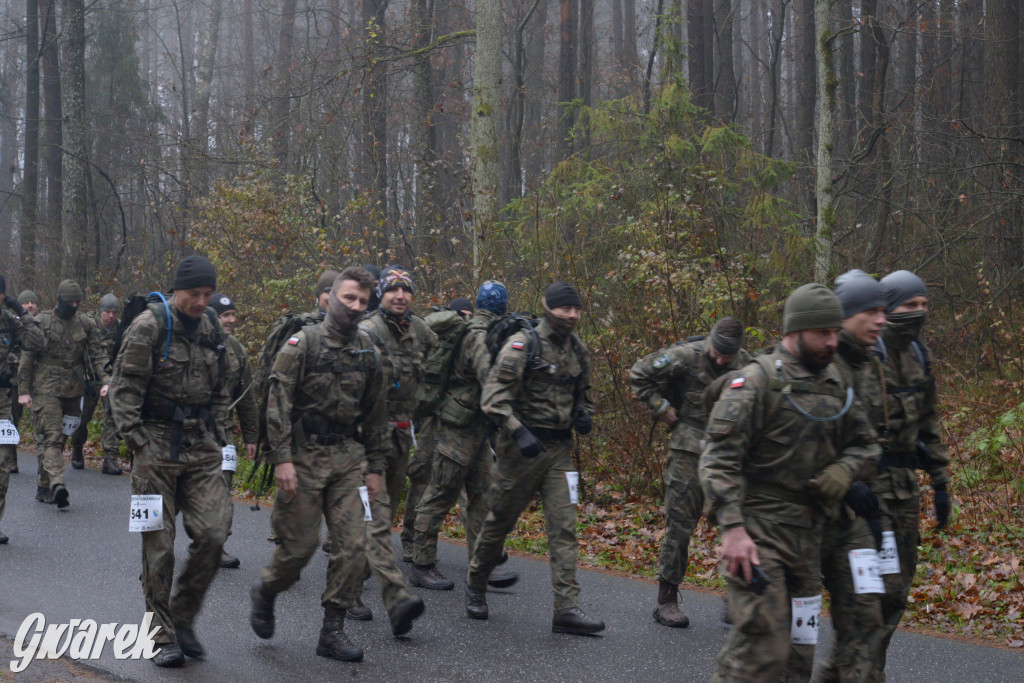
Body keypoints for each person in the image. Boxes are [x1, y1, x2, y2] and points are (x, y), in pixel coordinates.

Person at [699, 283, 880, 682]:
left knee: (798, 654)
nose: (833, 342)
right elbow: (716, 461)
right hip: (762, 535)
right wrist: (731, 528)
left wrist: (845, 471)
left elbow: (867, 446)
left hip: (811, 541)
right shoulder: (753, 383)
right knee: (762, 650)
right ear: (794, 331)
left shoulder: (839, 383)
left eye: (836, 333)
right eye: (823, 334)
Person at [249, 267, 424, 663]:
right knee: (300, 548)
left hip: (348, 458)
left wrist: (375, 466)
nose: (356, 307)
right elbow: (277, 405)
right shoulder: (302, 343)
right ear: (332, 297)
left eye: (363, 301)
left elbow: (376, 414)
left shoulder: (368, 349)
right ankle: (267, 589)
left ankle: (332, 630)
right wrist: (281, 459)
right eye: (349, 298)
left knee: (353, 545)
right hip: (304, 456)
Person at [109, 256, 232, 667]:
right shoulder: (150, 326)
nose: (201, 301)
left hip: (200, 445)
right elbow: (124, 391)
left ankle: (182, 614)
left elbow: (221, 384)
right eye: (194, 294)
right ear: (176, 290)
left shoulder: (212, 326)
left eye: (207, 294)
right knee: (159, 547)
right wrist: (138, 443)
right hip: (155, 445)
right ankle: (160, 634)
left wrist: (218, 430)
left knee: (215, 533)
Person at [466, 281, 603, 635]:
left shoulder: (578, 351)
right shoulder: (522, 345)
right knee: (498, 523)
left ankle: (566, 608)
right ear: (547, 308)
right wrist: (517, 429)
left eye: (576, 310)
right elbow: (493, 398)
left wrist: (584, 414)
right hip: (520, 451)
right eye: (564, 309)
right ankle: (477, 584)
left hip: (559, 453)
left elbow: (584, 395)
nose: (571, 316)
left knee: (565, 528)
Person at [629, 317, 750, 628]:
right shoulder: (686, 356)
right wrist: (660, 407)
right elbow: (639, 372)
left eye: (728, 356)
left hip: (729, 454)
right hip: (688, 450)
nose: (722, 360)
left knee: (740, 524)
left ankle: (737, 598)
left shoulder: (748, 364)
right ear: (710, 342)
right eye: (718, 354)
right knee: (680, 524)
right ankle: (666, 600)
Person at [410, 283, 518, 590]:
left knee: (483, 496)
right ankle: (422, 563)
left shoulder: (486, 331)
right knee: (440, 494)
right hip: (458, 429)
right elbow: (491, 380)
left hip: (478, 429)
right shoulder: (479, 336)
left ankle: (482, 564)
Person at [811, 270, 889, 682]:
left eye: (883, 311)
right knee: (783, 642)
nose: (881, 320)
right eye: (870, 312)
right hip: (801, 520)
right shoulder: (814, 363)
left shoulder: (872, 363)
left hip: (850, 521)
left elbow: (870, 441)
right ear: (844, 316)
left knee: (865, 617)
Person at [873, 270, 951, 678]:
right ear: (888, 308)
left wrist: (939, 480)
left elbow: (930, 421)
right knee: (870, 592)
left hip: (904, 492)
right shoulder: (869, 353)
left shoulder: (921, 355)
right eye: (909, 305)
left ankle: (872, 667)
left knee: (897, 590)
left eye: (923, 305)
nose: (918, 312)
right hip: (865, 493)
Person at [356, 265, 436, 615]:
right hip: (367, 439)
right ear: (381, 295)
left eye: (406, 290)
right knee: (368, 517)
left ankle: (360, 589)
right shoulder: (367, 331)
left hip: (402, 434)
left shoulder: (420, 331)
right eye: (393, 290)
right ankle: (350, 595)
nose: (400, 296)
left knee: (382, 519)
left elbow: (437, 367)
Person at [18, 279, 109, 509]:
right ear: (60, 300)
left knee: (62, 438)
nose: (74, 305)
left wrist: (106, 381)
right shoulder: (42, 322)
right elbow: (27, 359)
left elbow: (98, 355)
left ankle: (42, 485)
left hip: (73, 390)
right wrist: (23, 391)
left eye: (78, 301)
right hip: (45, 388)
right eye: (70, 301)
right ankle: (58, 484)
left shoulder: (85, 324)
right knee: (52, 436)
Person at [400, 296, 473, 563]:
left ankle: (483, 552)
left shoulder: (474, 340)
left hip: (459, 421)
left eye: (469, 314)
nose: (465, 319)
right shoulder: (435, 337)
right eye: (461, 314)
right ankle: (410, 539)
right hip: (433, 419)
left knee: (467, 482)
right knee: (422, 478)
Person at [210, 293, 258, 569]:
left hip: (223, 432)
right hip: (189, 430)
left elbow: (247, 397)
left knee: (222, 488)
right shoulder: (194, 343)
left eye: (233, 314)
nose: (232, 319)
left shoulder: (237, 349)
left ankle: (216, 546)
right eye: (226, 315)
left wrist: (251, 437)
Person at [70, 293, 124, 475]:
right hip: (89, 379)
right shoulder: (88, 326)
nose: (111, 316)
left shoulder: (121, 328)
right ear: (101, 312)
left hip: (111, 380)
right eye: (108, 312)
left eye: (114, 312)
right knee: (82, 418)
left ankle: (110, 457)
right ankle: (77, 449)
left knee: (113, 416)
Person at [0, 274, 27, 544]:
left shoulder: (10, 321)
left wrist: (21, 314)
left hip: (3, 400)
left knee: (2, 463)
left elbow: (37, 342)